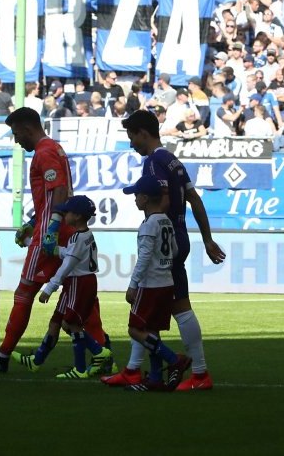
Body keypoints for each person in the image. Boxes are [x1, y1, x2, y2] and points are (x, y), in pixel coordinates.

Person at [107, 109, 225, 391]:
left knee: (177, 307)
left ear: (143, 133)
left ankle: (198, 373)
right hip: (178, 236)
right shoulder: (173, 160)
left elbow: (163, 200)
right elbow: (194, 199)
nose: (131, 143)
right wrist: (206, 238)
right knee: (150, 310)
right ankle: (135, 370)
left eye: (131, 136)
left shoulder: (153, 162)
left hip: (164, 241)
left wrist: (156, 226)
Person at [0, 107, 109, 374]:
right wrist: (33, 221)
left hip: (50, 236)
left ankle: (3, 354)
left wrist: (50, 227)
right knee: (83, 298)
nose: (16, 140)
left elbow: (58, 190)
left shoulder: (44, 151)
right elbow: (53, 197)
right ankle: (103, 352)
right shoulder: (55, 148)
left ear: (27, 128)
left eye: (16, 134)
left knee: (24, 293)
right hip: (63, 231)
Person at [121, 174, 192, 392]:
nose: (134, 199)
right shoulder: (165, 221)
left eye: (136, 195)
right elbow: (175, 250)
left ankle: (173, 359)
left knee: (135, 330)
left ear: (145, 198)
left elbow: (143, 258)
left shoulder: (149, 224)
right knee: (152, 330)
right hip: (166, 282)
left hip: (150, 284)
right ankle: (154, 378)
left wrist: (133, 284)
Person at [32, 195, 111, 379]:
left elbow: (67, 266)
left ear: (77, 216)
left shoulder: (77, 238)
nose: (64, 215)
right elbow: (70, 254)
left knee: (70, 324)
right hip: (87, 281)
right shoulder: (85, 235)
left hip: (79, 282)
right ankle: (95, 355)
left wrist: (48, 289)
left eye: (67, 212)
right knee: (71, 324)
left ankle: (86, 363)